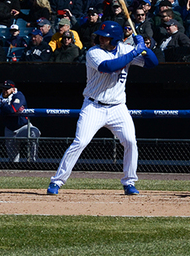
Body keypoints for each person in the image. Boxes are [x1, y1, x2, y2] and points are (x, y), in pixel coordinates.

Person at [47, 21, 158, 195]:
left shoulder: (125, 49)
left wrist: (144, 48)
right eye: (100, 36)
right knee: (80, 142)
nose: (101, 39)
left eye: (105, 38)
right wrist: (136, 51)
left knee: (130, 142)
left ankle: (129, 182)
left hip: (118, 107)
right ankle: (57, 181)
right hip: (94, 105)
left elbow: (153, 63)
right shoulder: (94, 52)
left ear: (115, 39)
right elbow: (108, 67)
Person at [0, 80, 40, 162]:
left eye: (7, 88)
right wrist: (6, 108)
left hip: (23, 127)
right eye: (3, 88)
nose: (4, 91)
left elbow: (12, 109)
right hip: (9, 129)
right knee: (13, 160)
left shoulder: (19, 95)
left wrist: (2, 107)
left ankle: (33, 161)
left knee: (35, 132)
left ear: (13, 89)